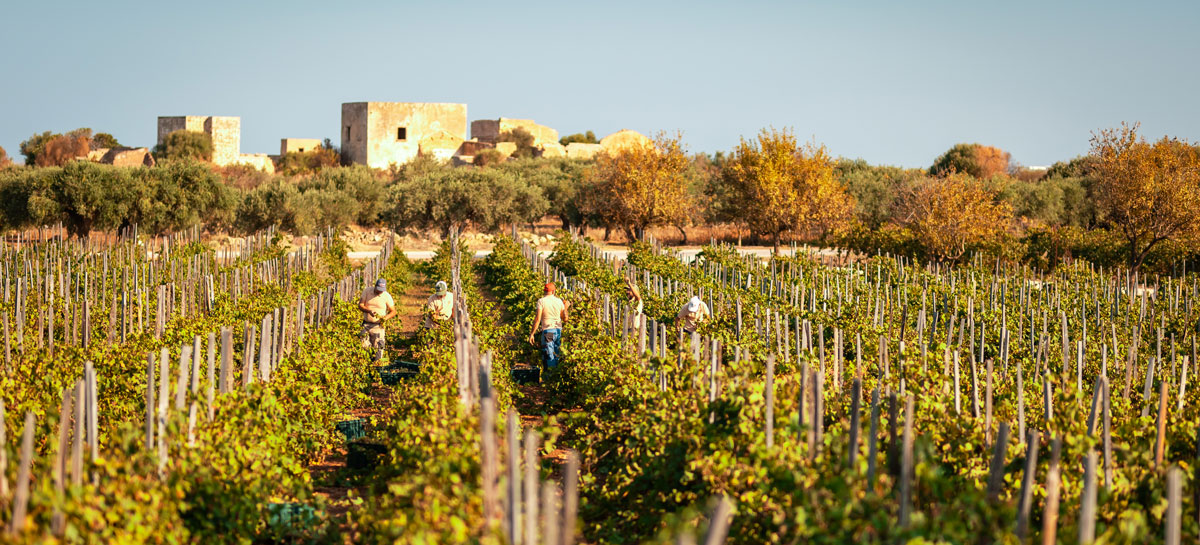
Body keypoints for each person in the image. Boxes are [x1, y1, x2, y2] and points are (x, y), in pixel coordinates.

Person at [528, 282, 568, 369]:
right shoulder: (559, 301)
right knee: (557, 353)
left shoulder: (541, 301)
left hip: (548, 331)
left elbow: (538, 319)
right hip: (558, 330)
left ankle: (549, 377)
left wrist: (532, 334)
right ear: (553, 291)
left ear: (544, 291)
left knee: (549, 355)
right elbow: (565, 319)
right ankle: (556, 374)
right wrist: (566, 307)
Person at [358, 278, 397, 357]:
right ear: (375, 286)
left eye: (381, 290)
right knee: (363, 346)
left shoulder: (386, 296)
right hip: (366, 324)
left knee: (379, 348)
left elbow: (393, 311)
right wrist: (369, 311)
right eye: (378, 289)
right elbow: (360, 305)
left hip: (378, 326)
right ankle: (367, 363)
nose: (380, 291)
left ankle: (377, 366)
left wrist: (385, 318)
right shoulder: (367, 291)